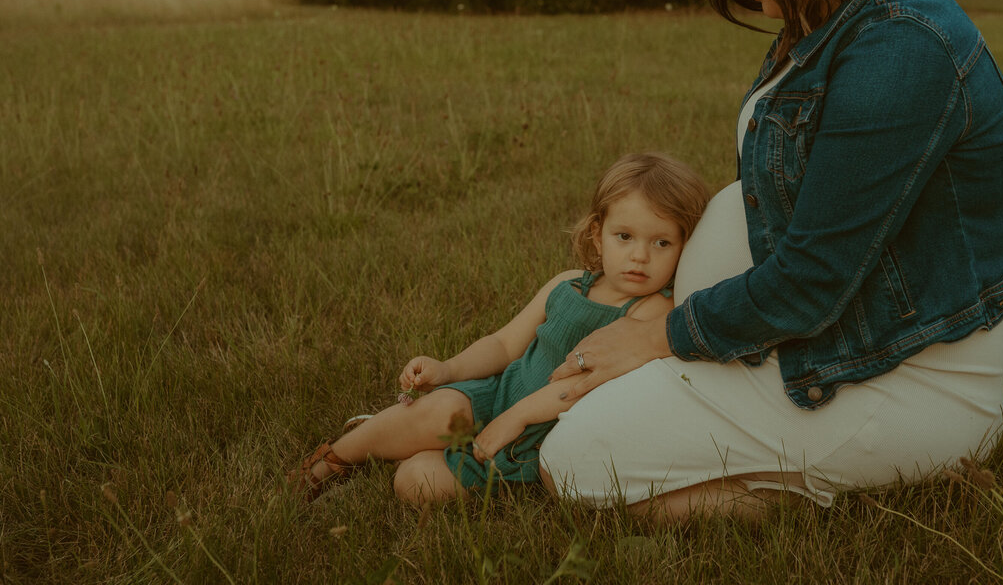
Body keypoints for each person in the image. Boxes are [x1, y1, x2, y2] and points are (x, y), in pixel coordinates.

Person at [538, 0, 1003, 521]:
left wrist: (660, 337)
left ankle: (803, 492)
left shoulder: (902, 50)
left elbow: (813, 283)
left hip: (908, 373)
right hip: (851, 328)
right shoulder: (835, 15)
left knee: (572, 464)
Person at [288, 152, 708, 503]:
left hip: (539, 436)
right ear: (598, 235)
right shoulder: (567, 285)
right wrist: (448, 369)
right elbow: (505, 343)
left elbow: (581, 384)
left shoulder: (650, 312)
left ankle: (398, 443)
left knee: (414, 482)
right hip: (500, 394)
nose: (639, 257)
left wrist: (516, 420)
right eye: (625, 236)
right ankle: (332, 460)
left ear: (684, 248)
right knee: (439, 407)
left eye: (661, 243)